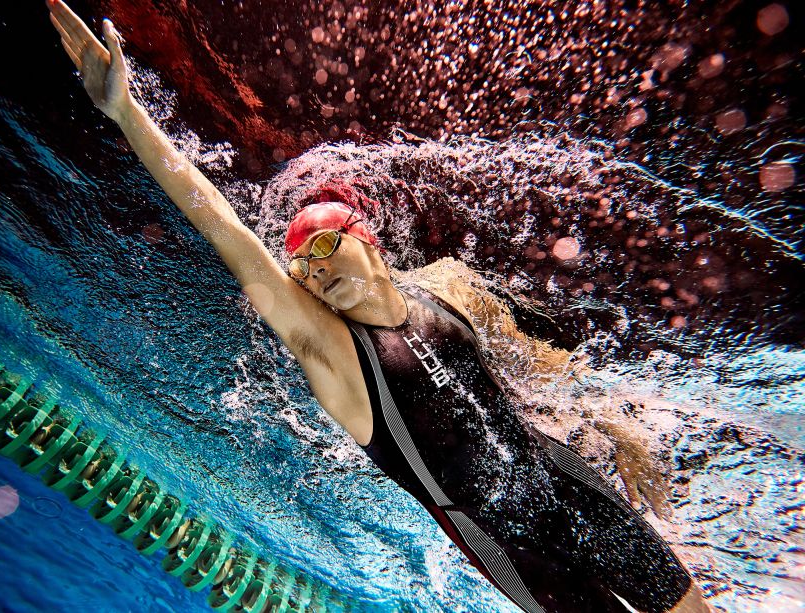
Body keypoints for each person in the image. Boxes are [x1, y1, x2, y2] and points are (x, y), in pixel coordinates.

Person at [46, 2, 709, 611]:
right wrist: (127, 114)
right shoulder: (338, 358)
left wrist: (610, 424)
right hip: (516, 552)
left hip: (570, 484)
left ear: (364, 236)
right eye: (300, 268)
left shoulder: (448, 284)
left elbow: (530, 362)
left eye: (323, 247)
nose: (311, 270)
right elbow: (230, 235)